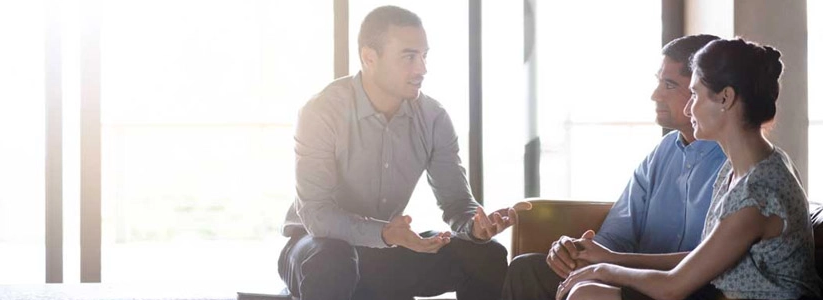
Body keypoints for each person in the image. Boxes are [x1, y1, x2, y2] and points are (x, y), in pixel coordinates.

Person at [278, 5, 522, 300]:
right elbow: (317, 215)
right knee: (333, 261)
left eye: (424, 55)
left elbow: (457, 203)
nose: (422, 69)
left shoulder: (433, 118)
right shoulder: (322, 111)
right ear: (369, 57)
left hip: (385, 248)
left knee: (486, 255)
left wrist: (475, 226)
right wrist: (383, 233)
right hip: (315, 247)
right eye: (409, 57)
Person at [556, 38, 822, 300]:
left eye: (694, 94)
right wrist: (610, 259)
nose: (688, 108)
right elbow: (699, 260)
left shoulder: (758, 192)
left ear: (725, 98)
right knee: (588, 290)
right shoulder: (738, 170)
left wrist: (604, 269)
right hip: (712, 293)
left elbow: (672, 288)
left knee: (588, 293)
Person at [501, 34, 727, 300]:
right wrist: (579, 252)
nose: (655, 95)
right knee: (526, 270)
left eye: (669, 85)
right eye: (658, 82)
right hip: (632, 277)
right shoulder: (662, 153)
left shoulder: (735, 160)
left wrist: (611, 262)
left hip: (691, 288)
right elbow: (617, 233)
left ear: (705, 91)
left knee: (587, 291)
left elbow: (715, 260)